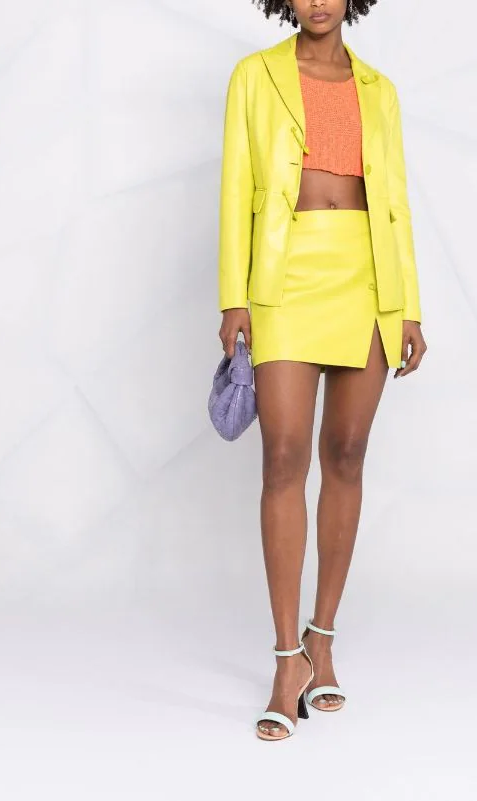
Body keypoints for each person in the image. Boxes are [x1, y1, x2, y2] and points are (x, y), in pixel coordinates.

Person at [217, 0, 428, 741]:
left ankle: (322, 640)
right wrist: (234, 296)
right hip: (283, 280)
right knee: (282, 456)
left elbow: (395, 203)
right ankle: (286, 660)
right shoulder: (255, 76)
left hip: (366, 280)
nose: (317, 2)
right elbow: (236, 189)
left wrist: (408, 307)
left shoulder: (379, 89)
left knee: (346, 454)